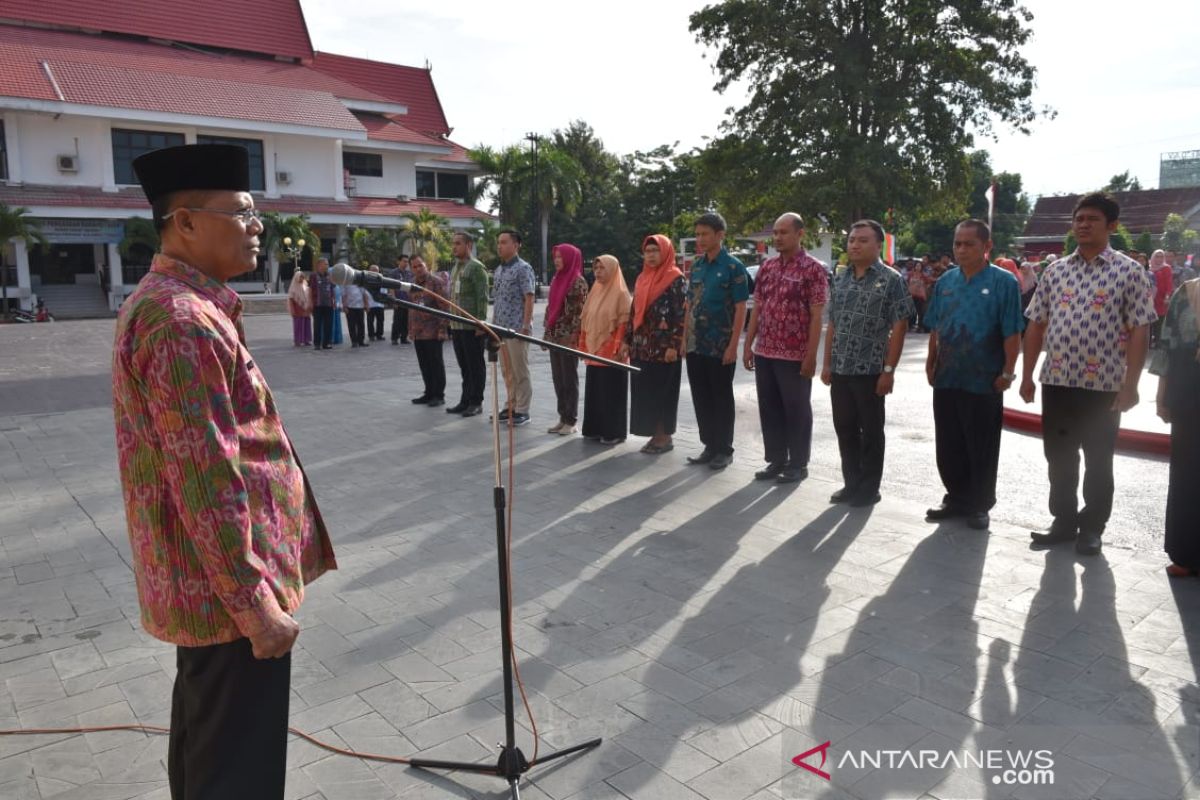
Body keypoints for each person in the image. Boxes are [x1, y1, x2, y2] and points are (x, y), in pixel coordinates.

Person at [114, 144, 336, 800]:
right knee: (236, 768)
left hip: (216, 588)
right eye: (240, 212)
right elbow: (205, 479)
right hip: (228, 596)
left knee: (211, 746)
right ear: (183, 223)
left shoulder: (190, 307)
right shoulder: (181, 321)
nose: (257, 225)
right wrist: (255, 606)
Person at [1020, 192, 1157, 555]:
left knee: (1099, 459)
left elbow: (1141, 329)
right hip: (1059, 380)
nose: (1083, 225)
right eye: (1079, 219)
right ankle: (1063, 521)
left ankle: (1093, 526)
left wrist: (1132, 385)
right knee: (1059, 456)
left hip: (1104, 386)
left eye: (1092, 219)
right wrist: (1028, 374)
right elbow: (1036, 324)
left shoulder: (1129, 271)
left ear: (1111, 225)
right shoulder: (1056, 271)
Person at [923, 220, 1025, 530]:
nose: (961, 249)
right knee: (949, 440)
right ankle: (955, 497)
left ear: (987, 247)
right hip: (948, 375)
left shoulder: (1004, 283)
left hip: (984, 378)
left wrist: (1008, 371)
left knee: (980, 443)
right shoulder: (945, 282)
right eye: (957, 243)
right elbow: (936, 326)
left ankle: (979, 504)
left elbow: (1012, 331)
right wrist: (931, 360)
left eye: (969, 244)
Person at [820, 220, 914, 507]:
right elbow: (833, 323)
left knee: (871, 432)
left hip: (871, 371)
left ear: (878, 245)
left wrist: (889, 370)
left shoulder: (891, 279)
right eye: (851, 240)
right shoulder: (840, 278)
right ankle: (851, 483)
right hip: (841, 369)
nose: (854, 245)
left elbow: (900, 326)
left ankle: (870, 488)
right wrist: (826, 363)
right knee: (844, 428)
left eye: (862, 240)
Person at [742, 212, 827, 484]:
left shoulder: (813, 269)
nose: (777, 237)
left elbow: (817, 316)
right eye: (775, 233)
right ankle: (776, 460)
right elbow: (758, 308)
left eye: (783, 232)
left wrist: (811, 356)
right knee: (769, 407)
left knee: (796, 408)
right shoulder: (767, 267)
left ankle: (798, 463)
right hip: (765, 350)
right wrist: (749, 344)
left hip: (795, 354)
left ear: (800, 234)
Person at [685, 212, 750, 470]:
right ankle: (709, 445)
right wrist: (683, 339)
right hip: (695, 344)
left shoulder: (734, 267)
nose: (700, 239)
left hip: (720, 344)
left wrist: (734, 345)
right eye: (698, 234)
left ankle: (724, 448)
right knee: (701, 396)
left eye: (705, 234)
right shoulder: (697, 266)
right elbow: (689, 303)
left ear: (720, 235)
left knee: (721, 397)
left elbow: (741, 307)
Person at [1151, 277, 1200, 577]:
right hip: (1188, 396)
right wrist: (1161, 396)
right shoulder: (1188, 290)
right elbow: (1167, 344)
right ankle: (1186, 554)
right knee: (1187, 472)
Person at [623, 234, 687, 455]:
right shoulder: (642, 278)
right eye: (647, 251)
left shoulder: (676, 278)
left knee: (663, 392)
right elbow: (634, 312)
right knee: (646, 393)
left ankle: (664, 437)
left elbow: (681, 314)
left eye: (655, 250)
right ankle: (654, 434)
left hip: (664, 349)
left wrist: (674, 345)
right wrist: (627, 341)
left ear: (666, 252)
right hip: (641, 347)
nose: (651, 255)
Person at [580, 254, 632, 444]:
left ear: (612, 269)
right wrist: (584, 343)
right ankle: (594, 429)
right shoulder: (595, 290)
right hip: (595, 350)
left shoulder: (620, 293)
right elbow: (586, 319)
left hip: (612, 352)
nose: (598, 272)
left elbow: (624, 323)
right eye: (596, 269)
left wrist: (618, 347)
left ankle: (613, 432)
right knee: (595, 391)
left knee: (611, 392)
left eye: (602, 268)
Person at [543, 243, 589, 435]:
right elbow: (550, 309)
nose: (557, 260)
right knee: (558, 378)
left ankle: (571, 419)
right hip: (555, 336)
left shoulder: (578, 282)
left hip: (568, 338)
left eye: (561, 257)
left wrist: (574, 340)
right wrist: (547, 334)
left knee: (569, 379)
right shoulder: (557, 279)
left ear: (570, 258)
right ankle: (562, 417)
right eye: (555, 257)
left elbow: (580, 315)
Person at [492, 230, 536, 426]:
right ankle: (510, 405)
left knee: (520, 371)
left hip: (517, 328)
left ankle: (522, 410)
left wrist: (525, 326)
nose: (499, 246)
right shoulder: (499, 269)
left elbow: (529, 297)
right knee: (507, 371)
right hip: (500, 328)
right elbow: (498, 301)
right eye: (498, 243)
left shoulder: (523, 268)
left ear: (516, 245)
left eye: (504, 242)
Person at [446, 232, 490, 418]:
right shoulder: (455, 267)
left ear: (469, 245)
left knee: (475, 366)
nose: (454, 247)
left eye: (458, 244)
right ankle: (465, 400)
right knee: (464, 366)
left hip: (472, 327)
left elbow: (482, 297)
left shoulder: (477, 268)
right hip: (457, 325)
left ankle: (476, 401)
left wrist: (481, 323)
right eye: (453, 244)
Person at [408, 254, 449, 407]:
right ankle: (429, 392)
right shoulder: (412, 284)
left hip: (433, 331)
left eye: (420, 265)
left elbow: (445, 307)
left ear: (426, 265)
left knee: (436, 364)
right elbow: (411, 308)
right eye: (415, 266)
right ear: (411, 269)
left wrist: (443, 329)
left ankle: (439, 395)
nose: (418, 269)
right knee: (424, 364)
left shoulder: (436, 282)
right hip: (418, 332)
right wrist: (410, 329)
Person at [309, 257, 334, 350]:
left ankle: (327, 343)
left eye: (327, 264)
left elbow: (332, 289)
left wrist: (334, 301)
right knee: (317, 325)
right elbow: (310, 290)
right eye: (325, 264)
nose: (327, 266)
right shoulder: (313, 276)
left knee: (328, 324)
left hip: (328, 303)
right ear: (319, 265)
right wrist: (310, 303)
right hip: (317, 304)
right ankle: (317, 343)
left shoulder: (330, 275)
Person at [342, 268, 370, 347]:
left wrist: (366, 304)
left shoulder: (360, 282)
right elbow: (344, 295)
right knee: (351, 325)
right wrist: (344, 306)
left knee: (361, 324)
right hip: (350, 306)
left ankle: (361, 341)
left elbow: (364, 294)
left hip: (360, 306)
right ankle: (354, 341)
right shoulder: (346, 282)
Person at [1150, 249, 1174, 345]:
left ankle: (1158, 341)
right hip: (1150, 298)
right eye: (1157, 256)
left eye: (1161, 256)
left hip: (1161, 299)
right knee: (1149, 320)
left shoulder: (1166, 268)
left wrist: (1167, 297)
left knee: (1159, 320)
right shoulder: (1149, 268)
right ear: (1153, 257)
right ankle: (1148, 342)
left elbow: (1169, 284)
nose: (1159, 258)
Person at [389, 254, 413, 345]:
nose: (406, 263)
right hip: (398, 300)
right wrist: (393, 299)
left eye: (407, 262)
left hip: (407, 301)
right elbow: (391, 287)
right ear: (398, 261)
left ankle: (404, 338)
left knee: (406, 321)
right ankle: (394, 338)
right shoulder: (393, 273)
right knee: (397, 320)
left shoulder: (409, 273)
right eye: (404, 261)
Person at [287, 270, 311, 347]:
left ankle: (306, 340)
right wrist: (292, 310)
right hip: (297, 309)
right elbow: (290, 299)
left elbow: (308, 296)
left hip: (306, 309)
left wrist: (309, 306)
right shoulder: (293, 288)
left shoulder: (305, 286)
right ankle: (298, 340)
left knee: (306, 325)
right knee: (298, 325)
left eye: (302, 277)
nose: (301, 279)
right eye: (300, 277)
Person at [366, 265, 386, 342]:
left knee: (380, 320)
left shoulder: (381, 279)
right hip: (370, 304)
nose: (375, 271)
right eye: (373, 270)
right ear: (369, 271)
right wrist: (366, 304)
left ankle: (379, 335)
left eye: (376, 270)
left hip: (380, 304)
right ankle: (371, 335)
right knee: (370, 321)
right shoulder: (366, 279)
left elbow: (384, 290)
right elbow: (365, 293)